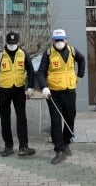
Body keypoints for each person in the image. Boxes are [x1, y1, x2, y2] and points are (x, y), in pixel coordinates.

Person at [36, 29, 86, 165]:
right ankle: (58, 150)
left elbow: (82, 60)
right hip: (53, 93)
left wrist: (80, 75)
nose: (59, 42)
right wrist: (44, 87)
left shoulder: (73, 51)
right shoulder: (48, 53)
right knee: (56, 121)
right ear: (53, 41)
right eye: (56, 40)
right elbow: (40, 73)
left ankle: (66, 143)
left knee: (70, 117)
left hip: (70, 91)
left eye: (61, 40)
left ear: (66, 39)